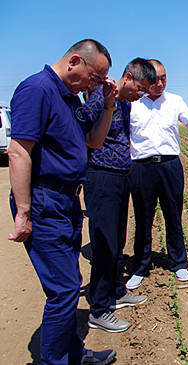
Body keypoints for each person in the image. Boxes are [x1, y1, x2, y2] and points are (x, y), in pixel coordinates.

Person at [8, 39, 117, 365]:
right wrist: (24, 212)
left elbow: (93, 141)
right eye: (94, 78)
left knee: (69, 285)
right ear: (74, 62)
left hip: (66, 202)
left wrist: (108, 103)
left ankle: (72, 353)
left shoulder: (69, 98)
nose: (94, 85)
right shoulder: (36, 90)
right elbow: (18, 151)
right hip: (45, 201)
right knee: (65, 290)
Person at [126, 59, 188, 290]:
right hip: (141, 167)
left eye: (164, 78)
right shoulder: (132, 102)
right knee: (143, 218)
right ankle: (140, 266)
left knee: (173, 214)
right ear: (145, 78)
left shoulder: (175, 101)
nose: (160, 83)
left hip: (170, 165)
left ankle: (179, 262)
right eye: (155, 79)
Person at [83, 58, 157, 333]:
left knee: (118, 240)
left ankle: (116, 290)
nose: (141, 95)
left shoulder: (126, 103)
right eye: (139, 88)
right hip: (101, 177)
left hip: (120, 177)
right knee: (104, 244)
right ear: (127, 77)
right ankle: (99, 309)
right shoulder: (99, 100)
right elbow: (86, 135)